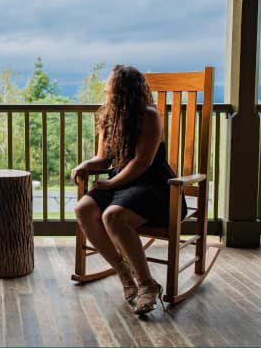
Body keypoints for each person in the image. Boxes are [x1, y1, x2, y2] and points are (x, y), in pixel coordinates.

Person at [70, 65, 186, 315]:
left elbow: (141, 162)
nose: (105, 87)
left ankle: (146, 285)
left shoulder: (148, 116)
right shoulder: (109, 118)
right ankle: (125, 276)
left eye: (110, 84)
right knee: (83, 209)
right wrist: (84, 165)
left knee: (113, 216)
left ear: (124, 90)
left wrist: (111, 184)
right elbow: (103, 160)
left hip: (153, 185)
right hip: (121, 181)